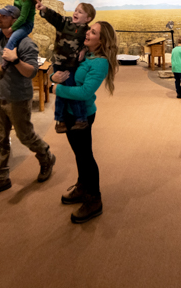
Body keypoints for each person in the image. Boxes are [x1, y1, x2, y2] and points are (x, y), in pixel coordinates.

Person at [0, 4, 56, 199]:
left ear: (15, 20)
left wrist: (15, 60)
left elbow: (31, 72)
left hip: (18, 98)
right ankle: (1, 177)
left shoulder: (26, 43)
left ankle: (46, 156)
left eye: (4, 15)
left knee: (25, 136)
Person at [50, 21, 118, 223]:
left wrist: (56, 90)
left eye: (93, 32)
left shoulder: (100, 62)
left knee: (86, 156)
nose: (87, 33)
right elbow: (65, 72)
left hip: (83, 115)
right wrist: (55, 78)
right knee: (79, 155)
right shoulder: (85, 53)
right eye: (89, 29)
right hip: (70, 112)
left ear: (102, 40)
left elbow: (85, 92)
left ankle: (94, 199)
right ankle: (82, 186)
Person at [35, 0, 96, 133]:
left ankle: (81, 119)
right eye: (76, 10)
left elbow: (89, 42)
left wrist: (84, 50)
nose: (76, 13)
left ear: (88, 18)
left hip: (72, 65)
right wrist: (44, 9)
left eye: (80, 12)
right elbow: (54, 17)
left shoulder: (87, 30)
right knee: (60, 91)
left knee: (72, 90)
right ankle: (60, 120)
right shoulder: (65, 22)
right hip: (58, 63)